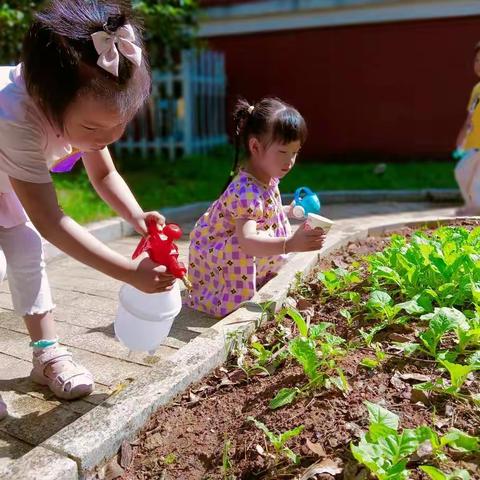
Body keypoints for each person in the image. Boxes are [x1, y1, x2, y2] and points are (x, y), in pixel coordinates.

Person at [0, 0, 176, 419]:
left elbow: (103, 175)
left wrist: (137, 218)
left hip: (6, 181)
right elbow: (51, 220)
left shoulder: (88, 96)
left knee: (26, 253)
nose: (109, 136)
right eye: (96, 128)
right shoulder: (14, 116)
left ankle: (47, 355)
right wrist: (129, 273)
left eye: (123, 123)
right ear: (46, 100)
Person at [187, 97, 325, 318]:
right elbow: (248, 242)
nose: (290, 161)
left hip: (237, 245)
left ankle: (260, 278)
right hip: (216, 255)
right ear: (255, 146)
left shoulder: (265, 178)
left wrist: (286, 211)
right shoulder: (246, 192)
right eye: (283, 152)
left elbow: (264, 210)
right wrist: (290, 243)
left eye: (295, 152)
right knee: (244, 244)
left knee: (269, 232)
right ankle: (231, 300)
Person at [454, 41, 480, 215]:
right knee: (462, 172)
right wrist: (461, 140)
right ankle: (473, 208)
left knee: (478, 182)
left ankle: (475, 210)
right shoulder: (477, 89)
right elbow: (470, 117)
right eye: (477, 60)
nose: (478, 64)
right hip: (474, 144)